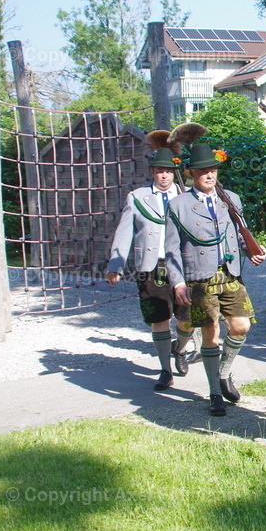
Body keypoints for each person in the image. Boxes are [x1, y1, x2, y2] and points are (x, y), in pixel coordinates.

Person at [165, 132, 266, 416]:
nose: (209, 175)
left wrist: (252, 249)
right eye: (202, 171)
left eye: (212, 169)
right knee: (210, 332)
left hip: (230, 274)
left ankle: (223, 373)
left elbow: (239, 233)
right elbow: (171, 248)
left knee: (241, 326)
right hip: (199, 277)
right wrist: (178, 282)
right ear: (191, 174)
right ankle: (214, 392)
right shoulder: (178, 205)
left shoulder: (230, 198)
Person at [106, 142, 197, 391]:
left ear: (173, 172)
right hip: (151, 266)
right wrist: (115, 265)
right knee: (159, 318)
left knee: (187, 319)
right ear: (153, 172)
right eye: (159, 171)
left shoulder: (187, 195)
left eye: (168, 171)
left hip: (182, 265)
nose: (164, 175)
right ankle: (165, 370)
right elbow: (124, 232)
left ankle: (180, 349)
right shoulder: (137, 197)